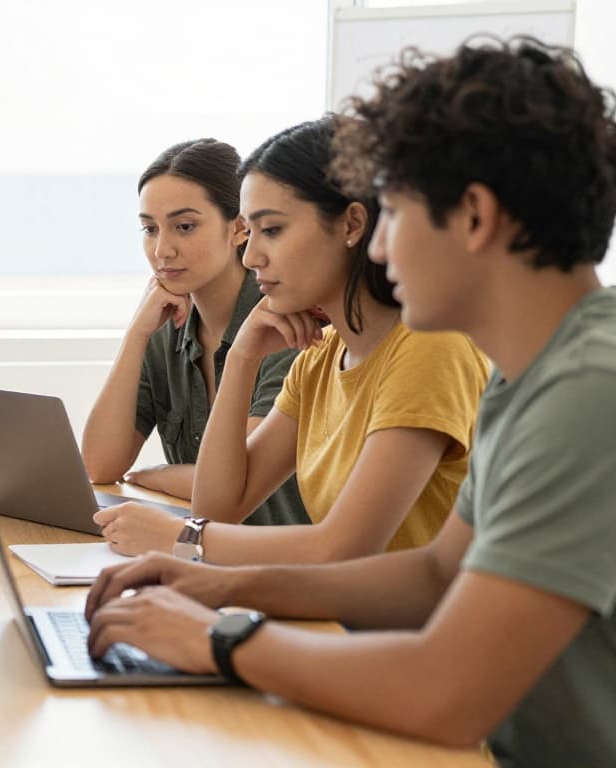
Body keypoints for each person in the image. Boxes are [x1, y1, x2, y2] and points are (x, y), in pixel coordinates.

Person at [86, 37, 616, 765]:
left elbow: (450, 692)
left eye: (394, 214)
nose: (378, 250)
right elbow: (435, 573)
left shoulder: (592, 389)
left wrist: (223, 638)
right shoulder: (529, 370)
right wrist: (212, 584)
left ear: (474, 216)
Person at [97, 115, 489, 562]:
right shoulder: (322, 356)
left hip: (402, 627)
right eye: (252, 230)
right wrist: (243, 355)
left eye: (273, 230)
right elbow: (219, 509)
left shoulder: (430, 347)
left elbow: (344, 547)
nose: (250, 254)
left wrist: (178, 539)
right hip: (339, 617)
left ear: (351, 224)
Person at [81, 139, 309, 549]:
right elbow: (99, 464)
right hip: (197, 556)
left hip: (271, 564)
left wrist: (161, 476)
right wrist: (136, 335)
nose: (161, 250)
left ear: (239, 228)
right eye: (150, 229)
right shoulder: (166, 327)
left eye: (184, 227)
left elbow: (237, 481)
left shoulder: (283, 327)